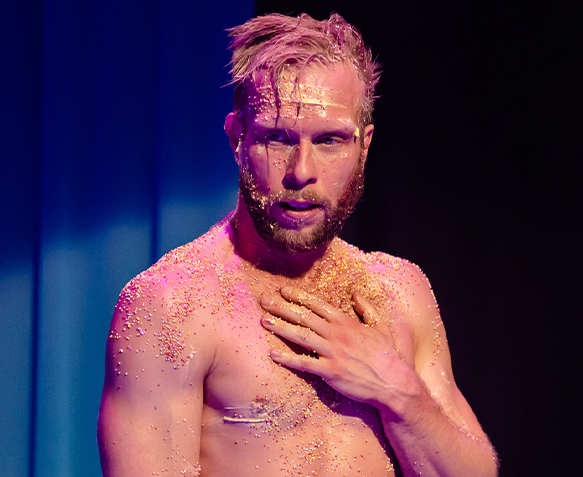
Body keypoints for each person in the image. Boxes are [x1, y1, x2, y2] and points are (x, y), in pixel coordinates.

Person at [98, 12, 497, 477]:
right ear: (237, 138)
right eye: (277, 138)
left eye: (329, 140)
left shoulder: (401, 291)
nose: (302, 171)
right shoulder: (172, 305)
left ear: (364, 146)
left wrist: (397, 390)